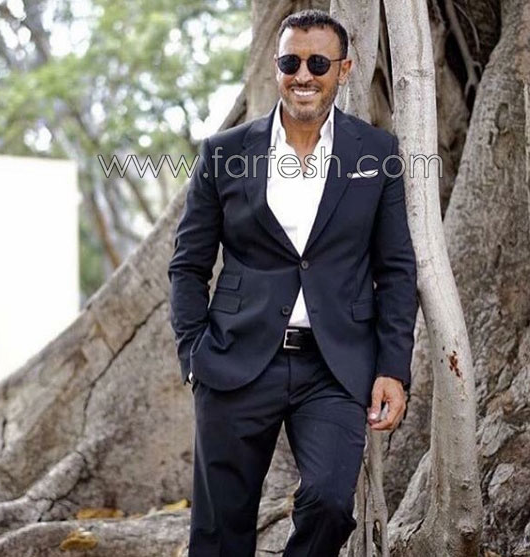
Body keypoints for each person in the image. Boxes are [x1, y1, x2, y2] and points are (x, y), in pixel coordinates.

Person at [167, 9, 418, 557]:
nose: (303, 75)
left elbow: (397, 270)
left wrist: (393, 368)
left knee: (329, 502)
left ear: (344, 69)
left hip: (334, 366)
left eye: (318, 63)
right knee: (219, 530)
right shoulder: (224, 153)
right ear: (276, 67)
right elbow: (188, 265)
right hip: (234, 361)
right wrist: (193, 353)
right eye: (290, 62)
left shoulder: (377, 154)